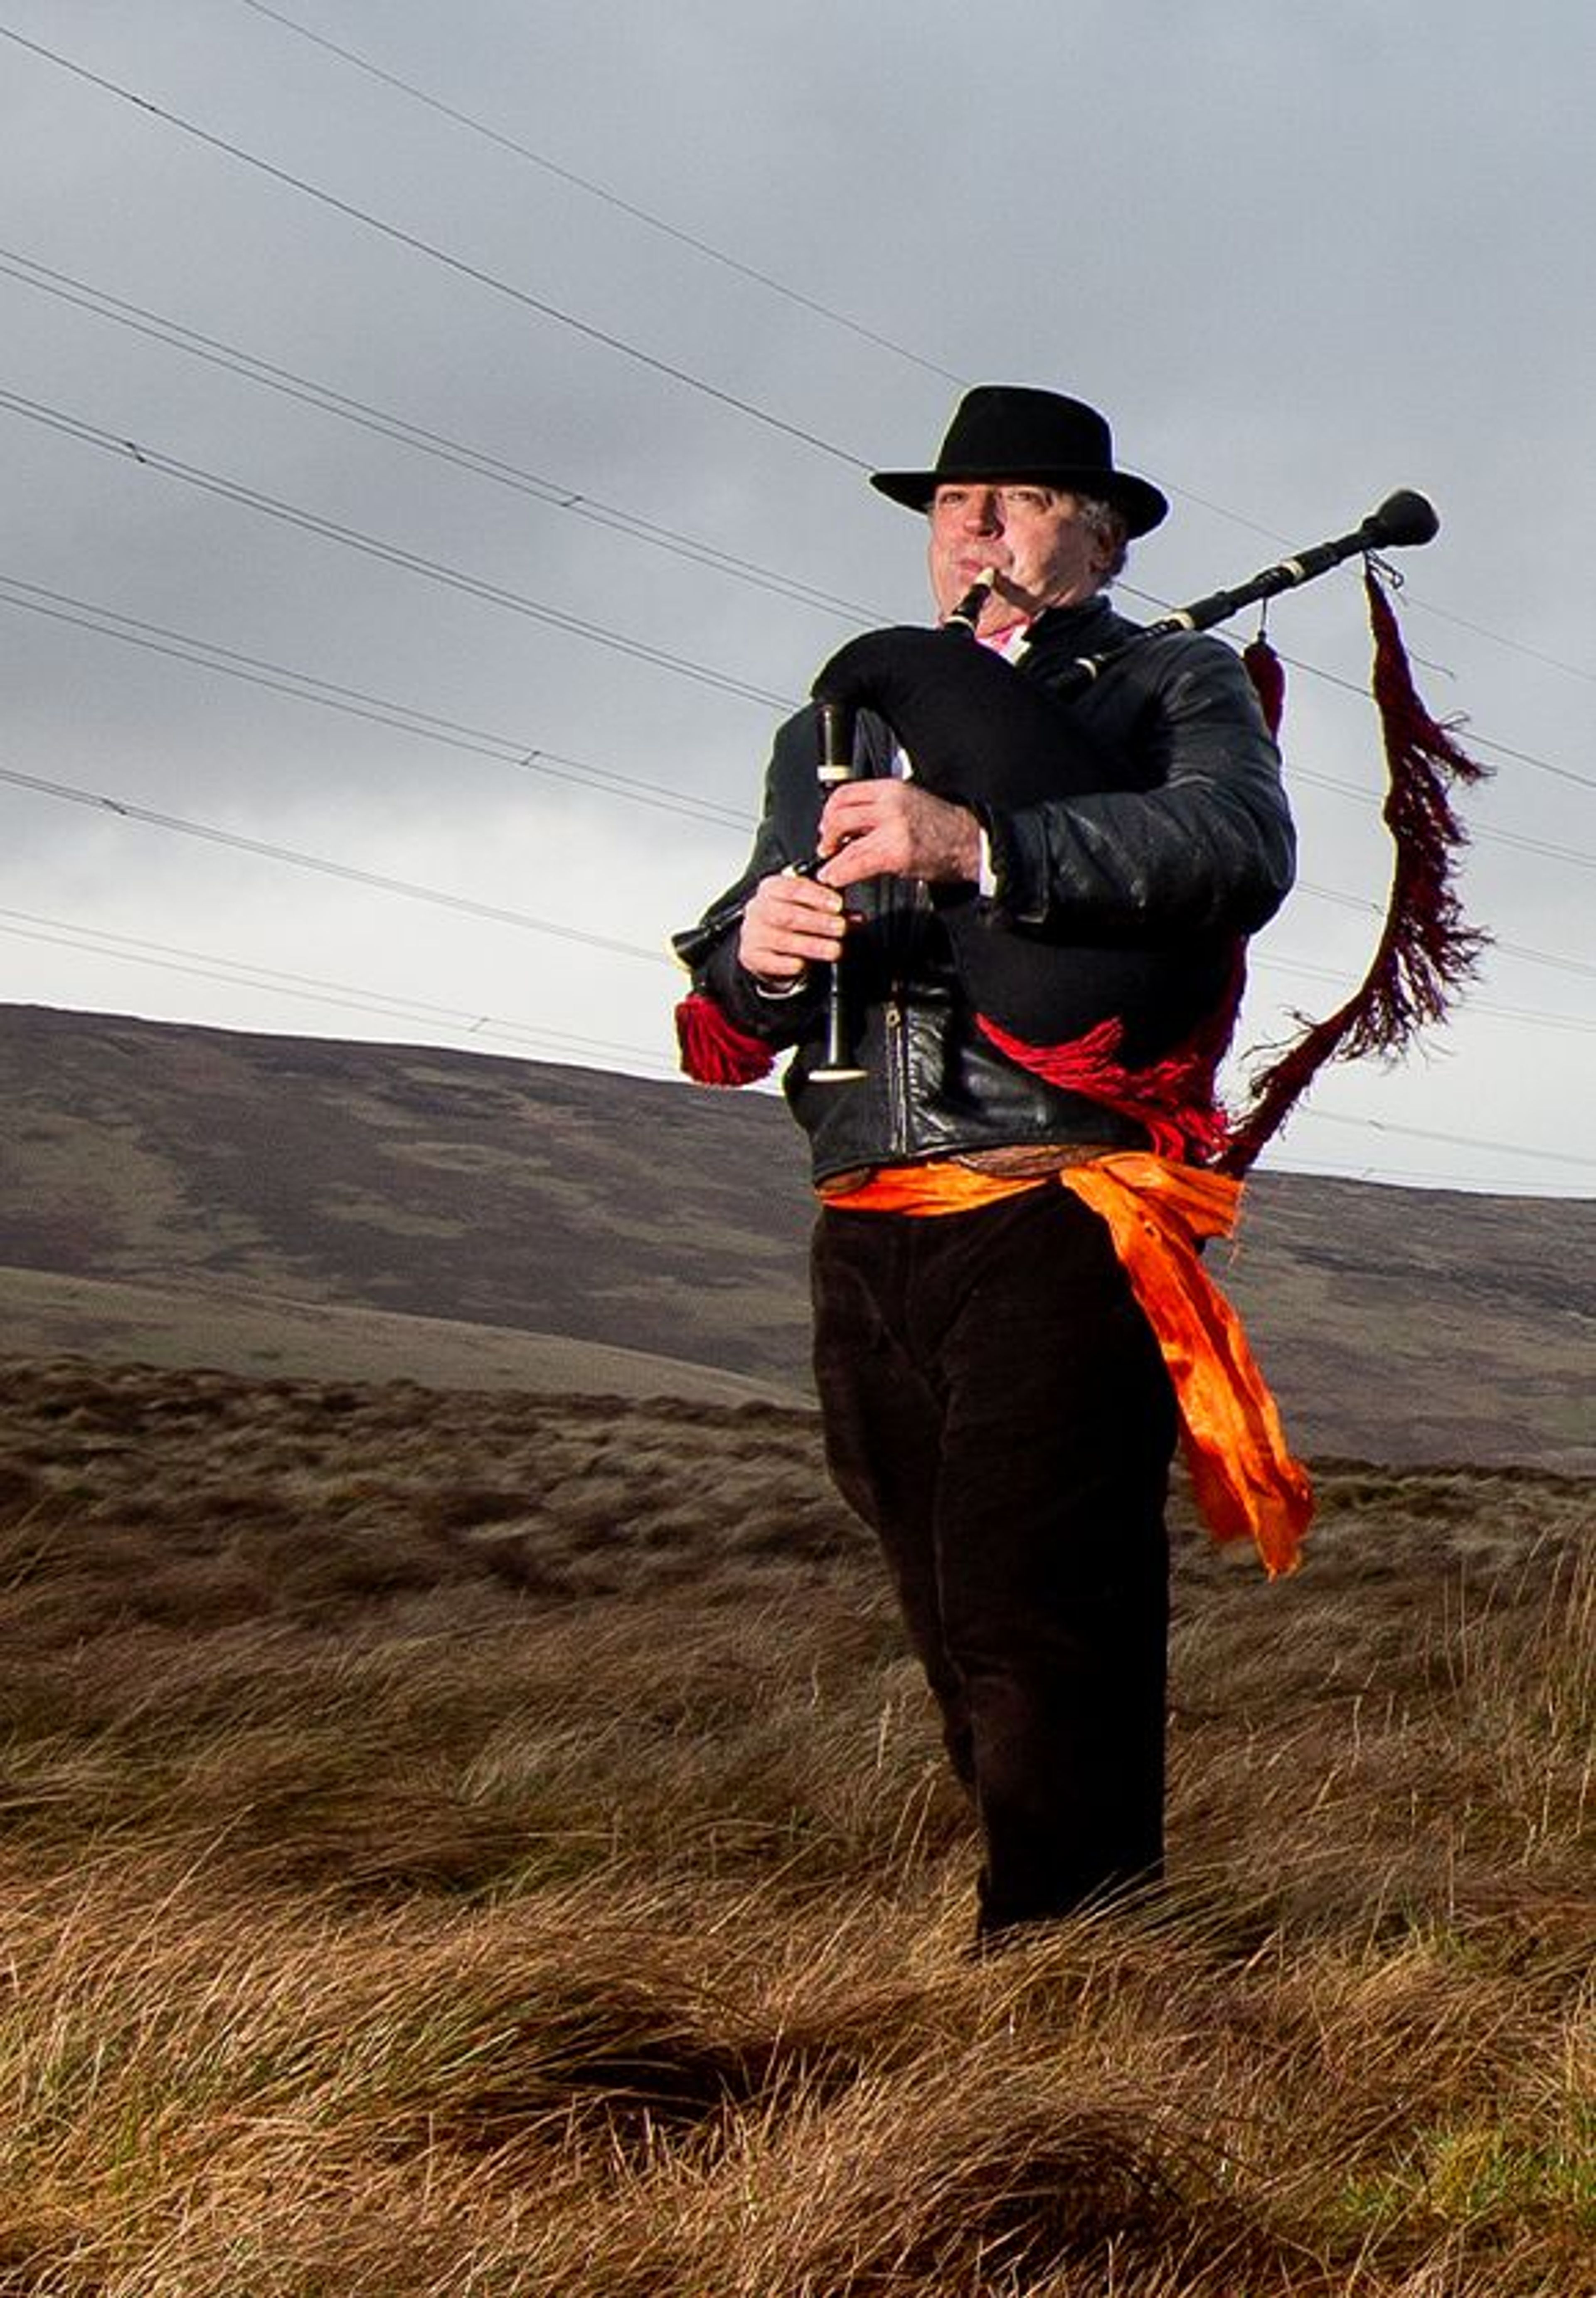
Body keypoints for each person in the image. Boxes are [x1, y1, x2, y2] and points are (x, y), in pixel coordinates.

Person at [673, 385, 1301, 1943]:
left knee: (1043, 1603)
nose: (976, 531)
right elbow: (731, 947)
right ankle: (1068, 1917)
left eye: (1015, 503)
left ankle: (1066, 1957)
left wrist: (982, 849)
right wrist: (752, 946)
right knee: (950, 1612)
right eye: (956, 506)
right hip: (866, 1217)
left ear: (1097, 535)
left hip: (1055, 1208)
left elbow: (1236, 851)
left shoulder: (1173, 683)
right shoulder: (837, 735)